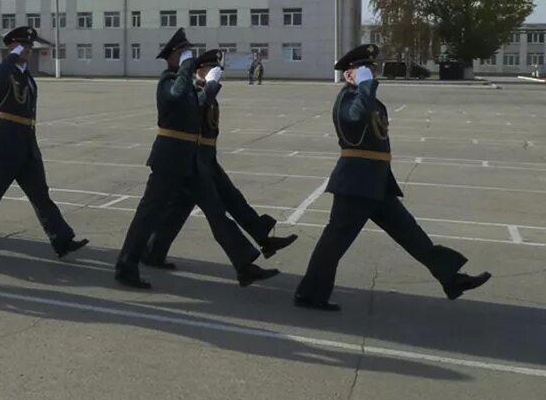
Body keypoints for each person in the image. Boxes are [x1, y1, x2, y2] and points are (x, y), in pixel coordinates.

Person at [294, 44, 491, 311]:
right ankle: (310, 294)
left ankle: (451, 279)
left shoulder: (367, 97)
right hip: (356, 184)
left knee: (412, 235)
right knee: (334, 243)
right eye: (366, 68)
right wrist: (364, 86)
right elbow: (354, 120)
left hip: (377, 183)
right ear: (352, 72)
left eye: (371, 68)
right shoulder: (349, 99)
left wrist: (366, 88)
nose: (372, 73)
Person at [114, 29, 277, 289]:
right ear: (172, 57)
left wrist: (208, 84)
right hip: (168, 160)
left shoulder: (186, 85)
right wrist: (189, 66)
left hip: (190, 161)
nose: (189, 58)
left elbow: (198, 103)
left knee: (216, 211)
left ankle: (244, 265)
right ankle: (126, 266)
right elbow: (177, 96)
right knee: (148, 215)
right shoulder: (168, 81)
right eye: (184, 53)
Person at [143, 56, 297, 268]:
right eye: (211, 68)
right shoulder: (191, 91)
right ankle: (253, 249)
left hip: (206, 158)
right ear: (200, 70)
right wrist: (212, 85)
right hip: (194, 159)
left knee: (220, 200)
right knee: (204, 209)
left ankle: (263, 238)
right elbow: (196, 107)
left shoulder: (205, 90)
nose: (216, 72)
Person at [0, 26, 88, 259]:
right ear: (12, 46)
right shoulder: (2, 71)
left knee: (40, 194)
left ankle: (62, 240)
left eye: (30, 46)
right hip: (6, 144)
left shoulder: (24, 74)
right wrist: (11, 56)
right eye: (24, 45)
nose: (28, 50)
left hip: (26, 143)